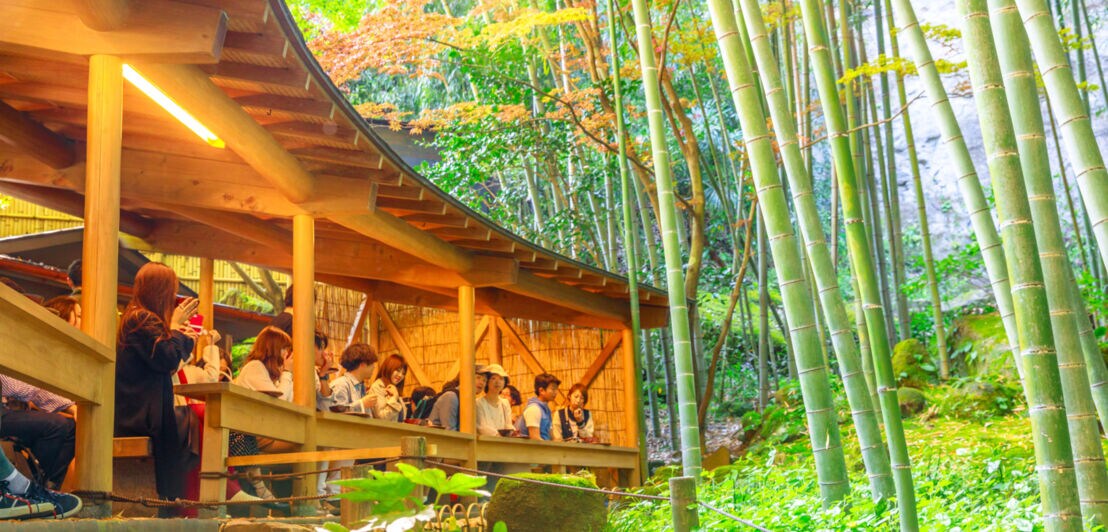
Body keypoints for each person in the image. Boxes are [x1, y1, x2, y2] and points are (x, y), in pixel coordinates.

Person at [114, 262, 201, 514]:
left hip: (141, 407)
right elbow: (168, 358)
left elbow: (166, 362)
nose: (174, 298)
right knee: (197, 422)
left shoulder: (138, 317)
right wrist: (175, 329)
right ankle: (179, 501)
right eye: (172, 290)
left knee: (195, 422)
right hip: (139, 412)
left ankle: (181, 500)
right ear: (161, 291)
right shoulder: (141, 318)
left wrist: (180, 335)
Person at [0, 376, 76, 489]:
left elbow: (35, 391)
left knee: (71, 428)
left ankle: (47, 487)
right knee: (56, 424)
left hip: (9, 412)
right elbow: (20, 387)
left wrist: (70, 407)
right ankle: (33, 488)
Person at [427, 365, 487, 431]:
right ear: (466, 377)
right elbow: (449, 430)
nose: (481, 383)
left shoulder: (472, 402)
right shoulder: (451, 397)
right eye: (478, 377)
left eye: (484, 380)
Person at [329, 343, 378, 414]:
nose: (374, 367)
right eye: (372, 363)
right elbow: (336, 413)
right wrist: (361, 404)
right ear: (362, 364)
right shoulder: (341, 384)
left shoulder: (360, 387)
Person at [515, 373, 560, 441]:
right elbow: (535, 438)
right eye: (553, 389)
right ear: (541, 390)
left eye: (557, 389)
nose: (556, 392)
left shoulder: (546, 410)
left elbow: (551, 436)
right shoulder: (534, 409)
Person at [475, 365, 513, 436]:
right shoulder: (478, 403)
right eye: (493, 378)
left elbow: (508, 425)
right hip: (486, 441)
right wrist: (498, 436)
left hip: (503, 442)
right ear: (487, 382)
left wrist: (513, 433)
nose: (497, 382)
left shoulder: (505, 403)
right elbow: (481, 427)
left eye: (501, 379)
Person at [369, 355, 407, 422]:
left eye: (403, 373)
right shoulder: (377, 387)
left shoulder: (394, 389)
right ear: (389, 368)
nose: (400, 375)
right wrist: (394, 398)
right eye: (398, 370)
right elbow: (381, 418)